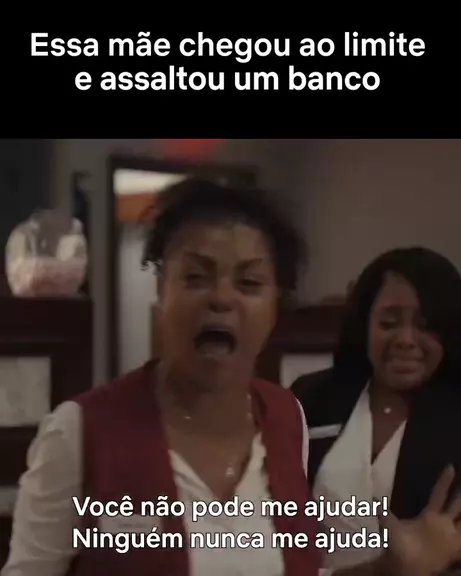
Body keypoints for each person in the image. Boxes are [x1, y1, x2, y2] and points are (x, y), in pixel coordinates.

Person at [2, 182, 459, 576]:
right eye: (196, 277)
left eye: (249, 283)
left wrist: (388, 567)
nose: (221, 298)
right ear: (162, 292)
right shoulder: (79, 433)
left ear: (275, 307)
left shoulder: (286, 420)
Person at [292, 247, 461, 574]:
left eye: (426, 325)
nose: (406, 339)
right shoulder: (311, 396)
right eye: (388, 322)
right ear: (365, 325)